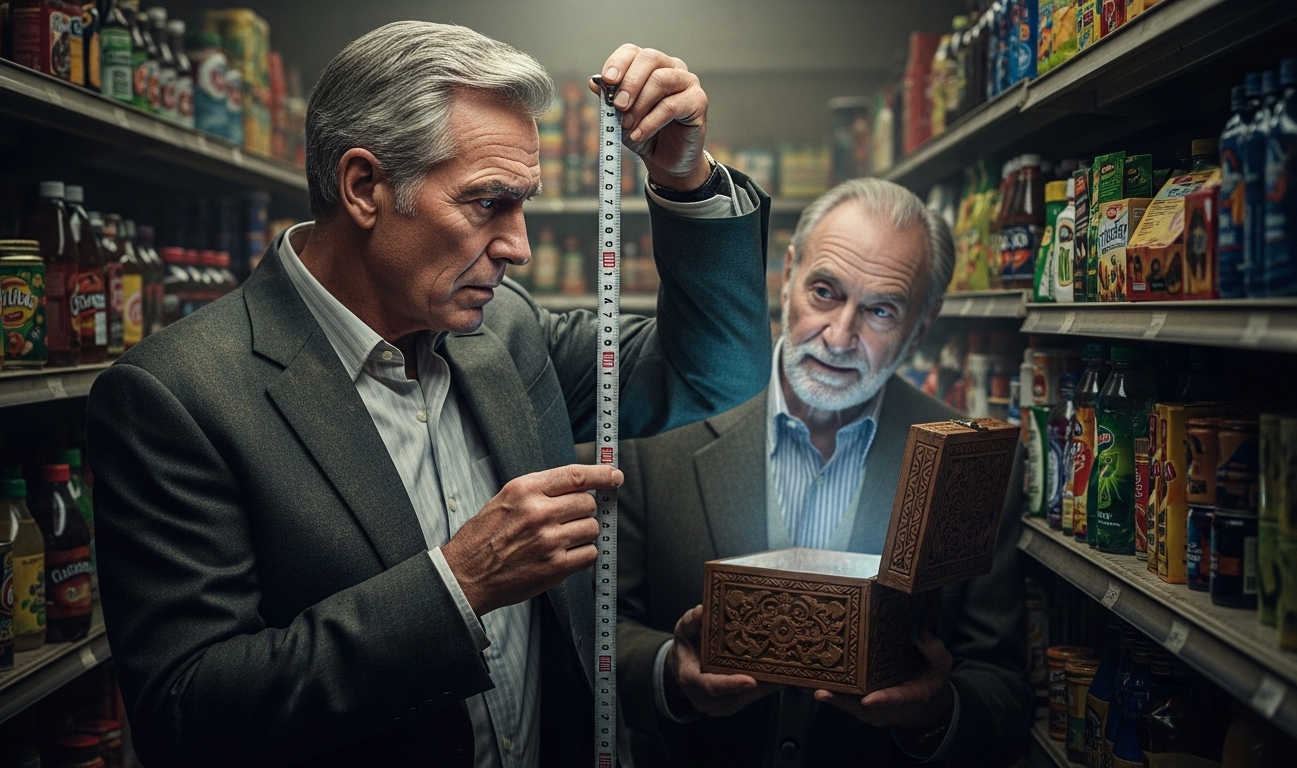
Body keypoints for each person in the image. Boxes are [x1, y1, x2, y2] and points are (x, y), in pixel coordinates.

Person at [86, 22, 773, 768]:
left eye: (523, 204)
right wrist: (459, 584)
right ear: (364, 187)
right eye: (487, 203)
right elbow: (189, 716)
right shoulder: (177, 397)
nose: (519, 246)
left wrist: (686, 178)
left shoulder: (506, 332)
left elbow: (715, 371)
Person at [616, 178, 1032, 768]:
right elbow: (601, 628)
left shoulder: (972, 465)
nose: (839, 337)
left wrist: (933, 710)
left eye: (881, 311)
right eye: (824, 292)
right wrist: (671, 673)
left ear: (923, 323)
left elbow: (1004, 693)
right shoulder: (661, 428)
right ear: (786, 275)